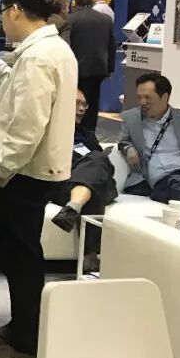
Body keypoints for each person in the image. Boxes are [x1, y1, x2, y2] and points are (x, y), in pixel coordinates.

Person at [0, 0, 77, 358]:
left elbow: (29, 123)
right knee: (23, 256)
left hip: (24, 172)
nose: (2, 21)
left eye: (3, 14)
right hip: (32, 169)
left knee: (21, 258)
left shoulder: (38, 57)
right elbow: (13, 93)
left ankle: (26, 343)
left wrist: (4, 168)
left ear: (14, 10)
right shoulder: (47, 51)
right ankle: (22, 328)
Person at [118, 74, 180, 215]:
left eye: (148, 97)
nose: (142, 102)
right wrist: (128, 148)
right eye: (139, 97)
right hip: (162, 180)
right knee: (176, 186)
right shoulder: (131, 118)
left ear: (164, 97)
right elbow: (123, 140)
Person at [49, 89, 119, 271]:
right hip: (65, 184)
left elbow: (104, 166)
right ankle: (89, 255)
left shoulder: (87, 135)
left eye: (84, 105)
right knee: (92, 188)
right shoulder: (51, 132)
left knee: (97, 160)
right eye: (76, 103)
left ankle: (73, 207)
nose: (81, 109)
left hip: (97, 182)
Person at [69, 0, 117, 132]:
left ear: (76, 2)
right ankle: (90, 133)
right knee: (93, 102)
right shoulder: (106, 20)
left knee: (73, 102)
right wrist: (110, 68)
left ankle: (75, 133)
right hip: (98, 68)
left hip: (76, 69)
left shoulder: (70, 20)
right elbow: (111, 45)